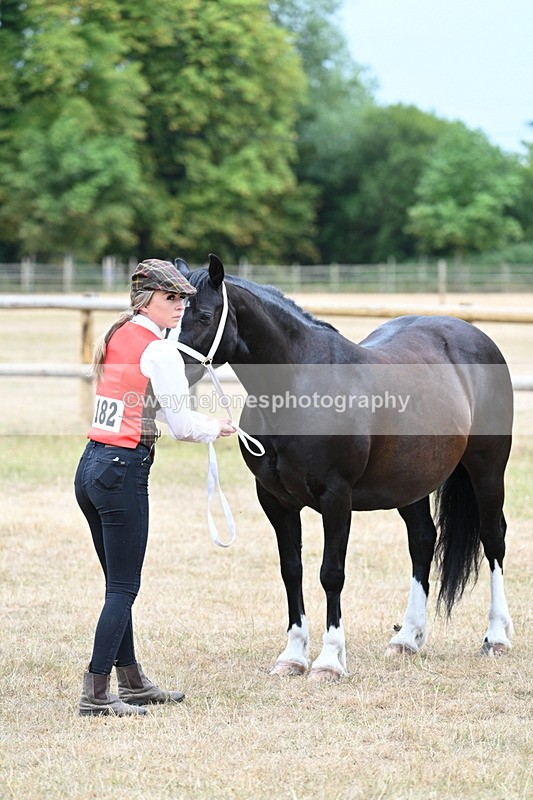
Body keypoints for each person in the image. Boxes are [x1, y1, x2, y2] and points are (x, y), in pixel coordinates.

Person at [74, 258, 235, 717]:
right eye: (171, 297)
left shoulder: (117, 334)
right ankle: (97, 691)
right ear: (147, 299)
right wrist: (213, 426)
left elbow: (143, 402)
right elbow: (181, 423)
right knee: (124, 588)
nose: (181, 305)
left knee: (116, 586)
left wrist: (198, 422)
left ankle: (132, 680)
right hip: (123, 469)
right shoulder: (161, 351)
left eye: (184, 298)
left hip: (91, 467)